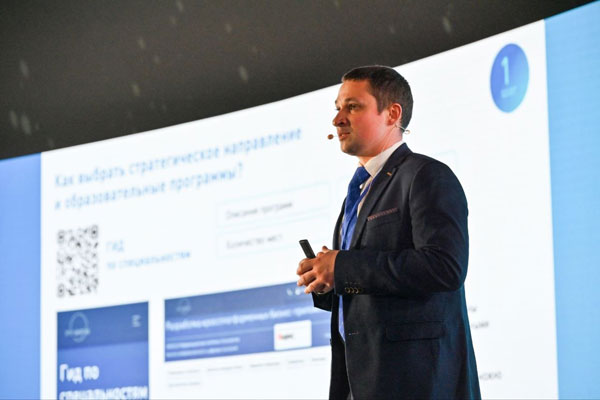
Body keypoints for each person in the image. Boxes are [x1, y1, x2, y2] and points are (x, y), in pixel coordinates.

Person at [296, 65, 480, 399]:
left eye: (352, 107)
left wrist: (343, 267)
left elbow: (444, 267)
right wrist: (329, 281)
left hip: (415, 383)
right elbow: (371, 288)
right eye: (337, 108)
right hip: (361, 382)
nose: (337, 120)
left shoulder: (426, 175)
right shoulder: (357, 192)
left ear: (392, 114)